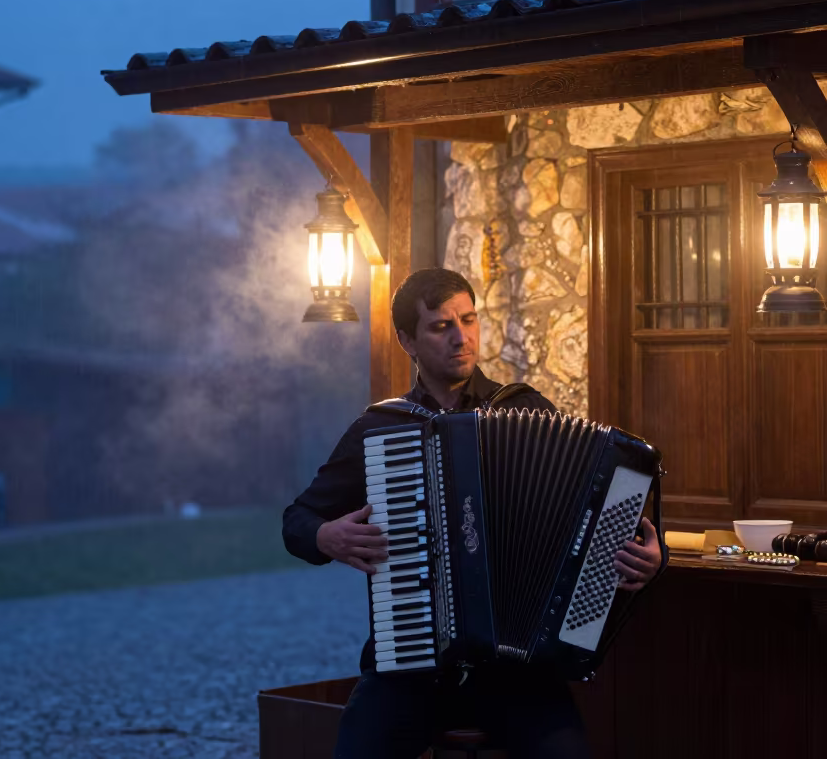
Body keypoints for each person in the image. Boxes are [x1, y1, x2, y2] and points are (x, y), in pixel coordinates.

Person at [282, 268, 664, 759]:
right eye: (441, 326)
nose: (461, 337)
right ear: (408, 340)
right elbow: (297, 519)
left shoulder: (526, 410)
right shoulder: (382, 429)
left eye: (468, 319)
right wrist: (323, 535)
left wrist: (654, 558)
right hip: (411, 666)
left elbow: (609, 520)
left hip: (518, 675)